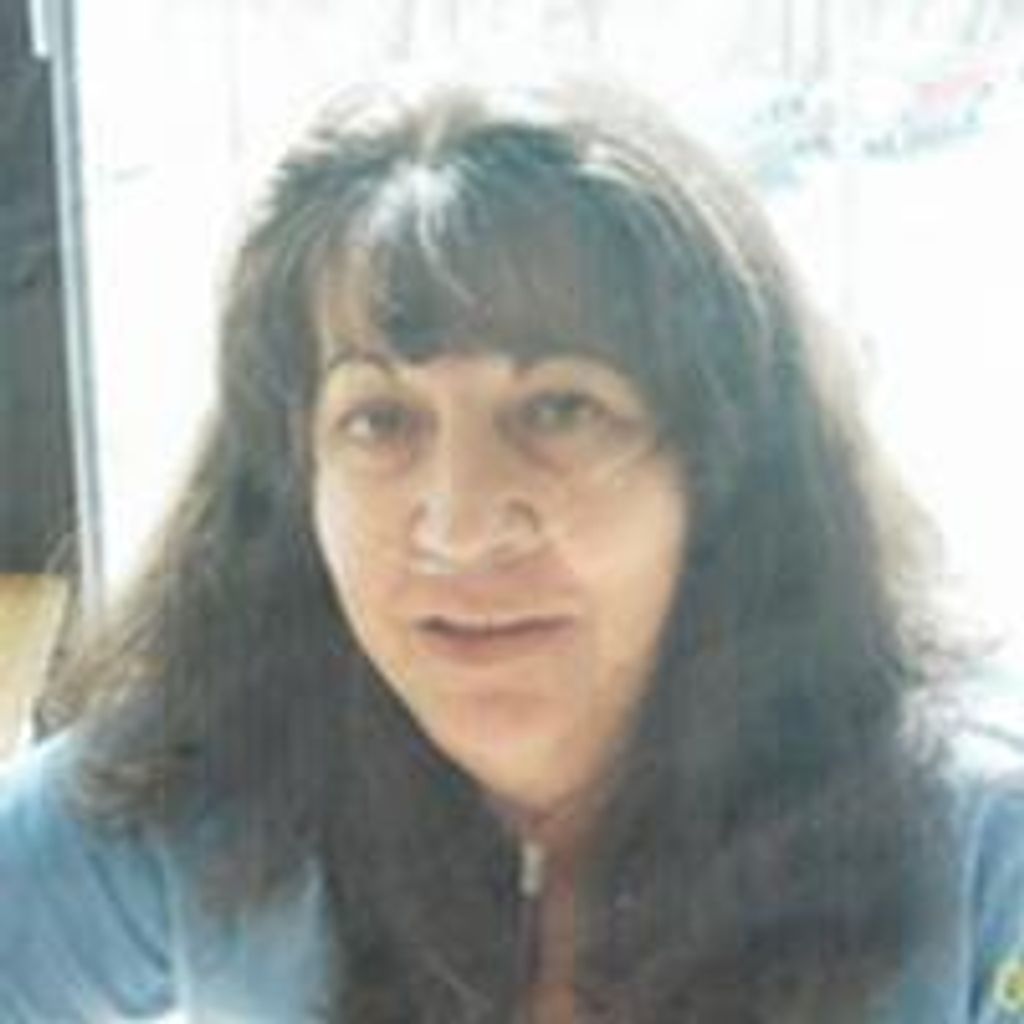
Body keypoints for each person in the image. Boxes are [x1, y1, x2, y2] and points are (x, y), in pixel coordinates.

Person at [1, 67, 1022, 1024]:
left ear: (725, 477)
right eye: (380, 421)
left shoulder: (980, 847)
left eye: (560, 410)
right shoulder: (208, 787)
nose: (458, 525)